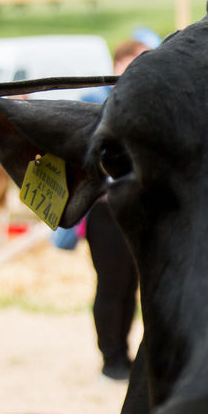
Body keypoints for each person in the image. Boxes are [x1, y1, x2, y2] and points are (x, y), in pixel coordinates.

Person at [81, 39, 148, 380]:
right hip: (106, 209)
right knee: (111, 284)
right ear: (119, 64)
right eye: (135, 61)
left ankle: (124, 353)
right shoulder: (98, 104)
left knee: (132, 284)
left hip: (135, 208)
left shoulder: (145, 105)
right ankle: (111, 357)